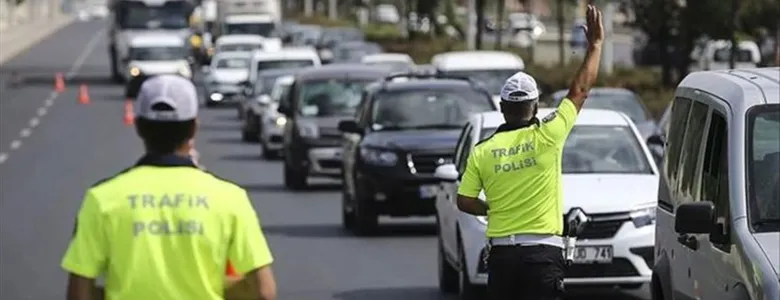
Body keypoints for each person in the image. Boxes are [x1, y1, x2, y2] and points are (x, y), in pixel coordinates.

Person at [61, 75, 277, 300]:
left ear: (138, 127)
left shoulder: (102, 199)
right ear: (194, 128)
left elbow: (78, 293)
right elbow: (264, 292)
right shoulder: (230, 199)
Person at [455, 5, 604, 300]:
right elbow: (580, 90)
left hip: (502, 256)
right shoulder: (549, 135)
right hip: (543, 255)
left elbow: (464, 200)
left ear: (502, 108)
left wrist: (492, 209)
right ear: (535, 107)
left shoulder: (483, 151)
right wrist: (596, 45)